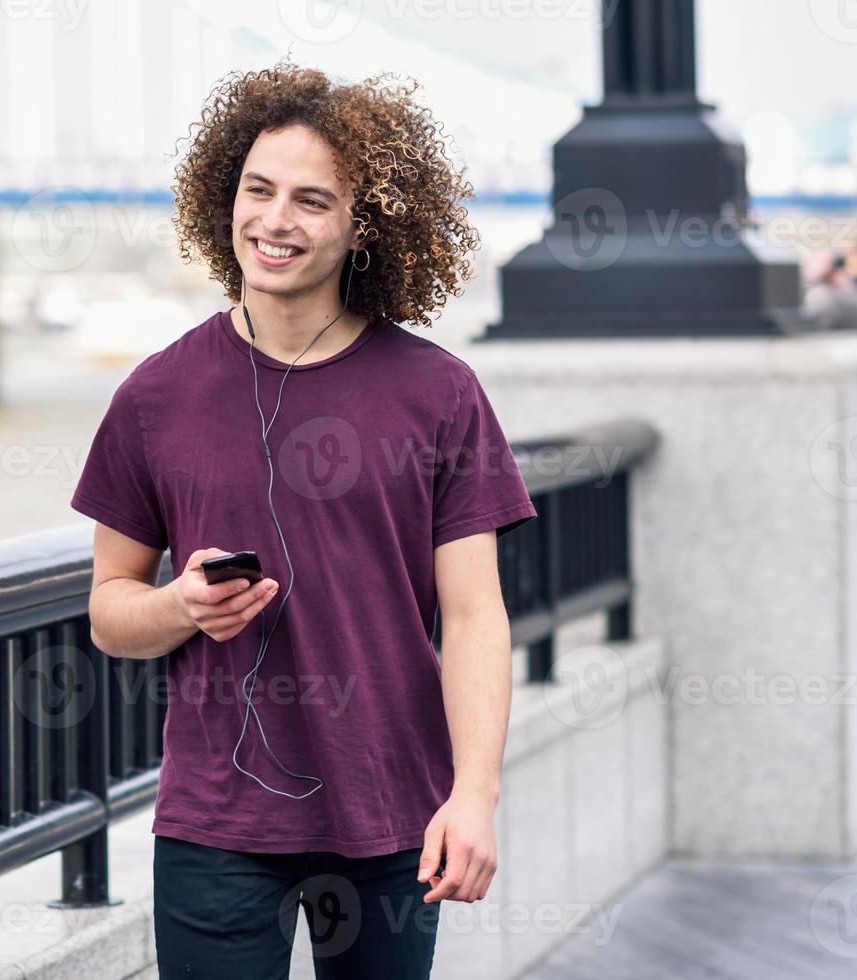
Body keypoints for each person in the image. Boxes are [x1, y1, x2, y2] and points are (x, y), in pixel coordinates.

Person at [68, 59, 538, 979]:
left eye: (311, 200)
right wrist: (178, 609)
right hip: (214, 826)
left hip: (394, 815)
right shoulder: (154, 394)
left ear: (362, 226)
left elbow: (477, 614)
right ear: (224, 197)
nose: (274, 221)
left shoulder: (439, 393)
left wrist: (473, 795)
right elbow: (108, 608)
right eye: (257, 189)